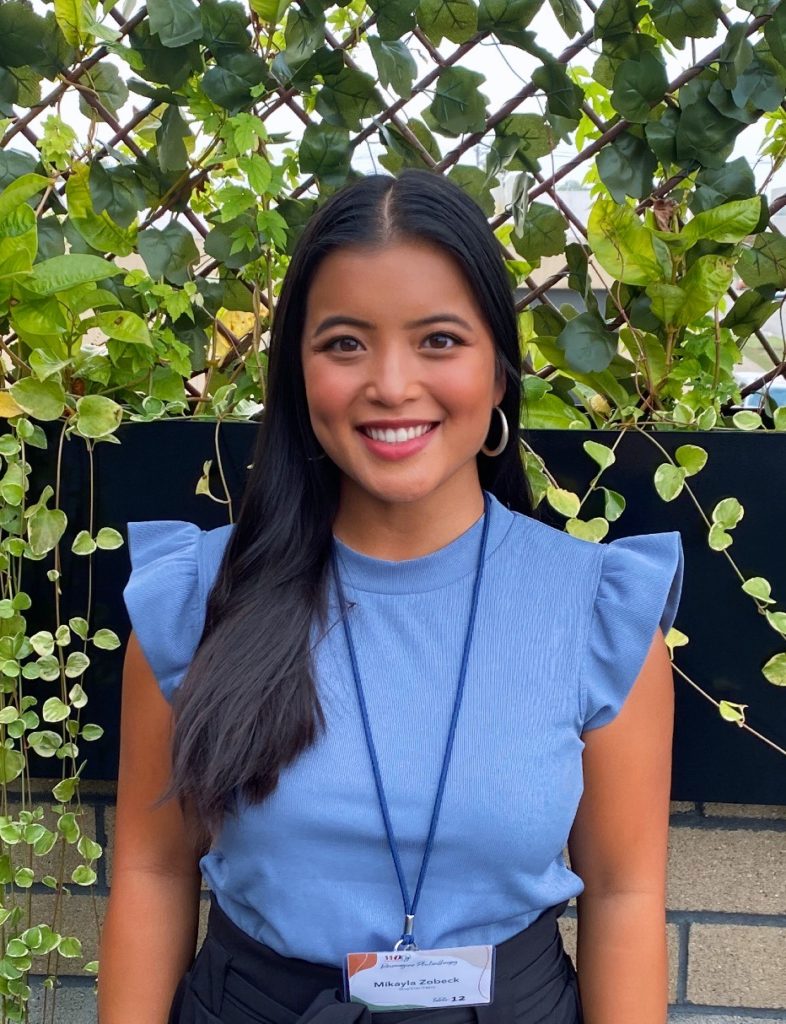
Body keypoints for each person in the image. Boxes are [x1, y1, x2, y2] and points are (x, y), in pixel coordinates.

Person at [98, 168, 684, 1024]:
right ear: (298, 371)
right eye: (344, 343)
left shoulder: (597, 611)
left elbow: (626, 897)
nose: (392, 384)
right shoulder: (196, 601)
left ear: (498, 370)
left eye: (440, 339)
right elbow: (153, 873)